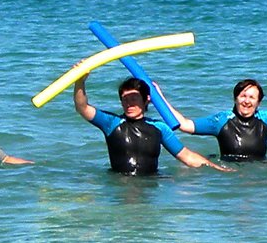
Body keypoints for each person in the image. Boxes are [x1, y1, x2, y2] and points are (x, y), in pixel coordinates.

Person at [73, 75, 229, 176]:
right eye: (124, 99)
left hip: (151, 186)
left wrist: (218, 170)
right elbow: (83, 107)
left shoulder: (159, 128)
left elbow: (186, 156)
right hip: (119, 185)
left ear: (146, 99)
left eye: (133, 98)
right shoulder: (111, 123)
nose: (129, 103)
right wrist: (80, 81)